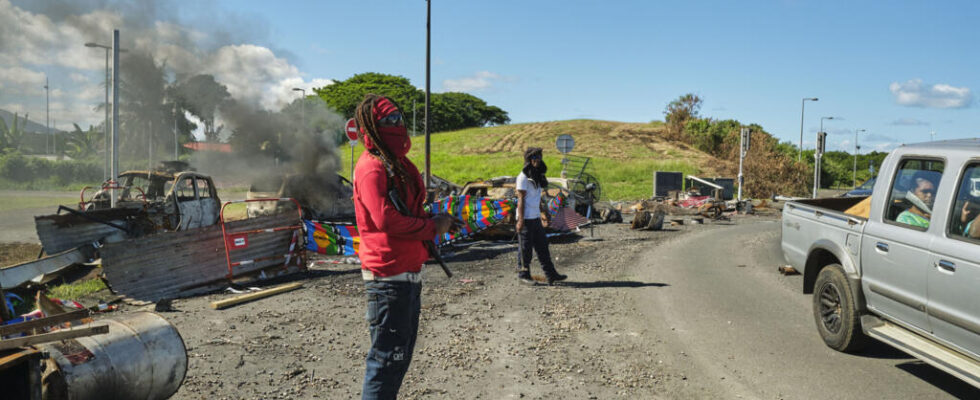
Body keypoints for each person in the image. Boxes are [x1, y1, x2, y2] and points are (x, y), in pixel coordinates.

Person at [352, 94, 454, 399]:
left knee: (397, 361)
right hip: (388, 279)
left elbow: (407, 210)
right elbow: (385, 219)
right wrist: (431, 227)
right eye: (389, 120)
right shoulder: (372, 168)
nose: (397, 124)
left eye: (399, 118)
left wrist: (435, 220)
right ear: (371, 126)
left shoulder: (394, 164)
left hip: (405, 276)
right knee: (385, 363)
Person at [515, 147, 567, 285]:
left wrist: (545, 212)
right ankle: (523, 275)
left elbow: (538, 198)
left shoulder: (537, 176)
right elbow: (521, 200)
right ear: (529, 160)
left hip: (535, 217)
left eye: (539, 157)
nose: (537, 160)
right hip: (525, 218)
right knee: (525, 249)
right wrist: (520, 220)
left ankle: (551, 275)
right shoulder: (523, 177)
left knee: (543, 247)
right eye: (534, 158)